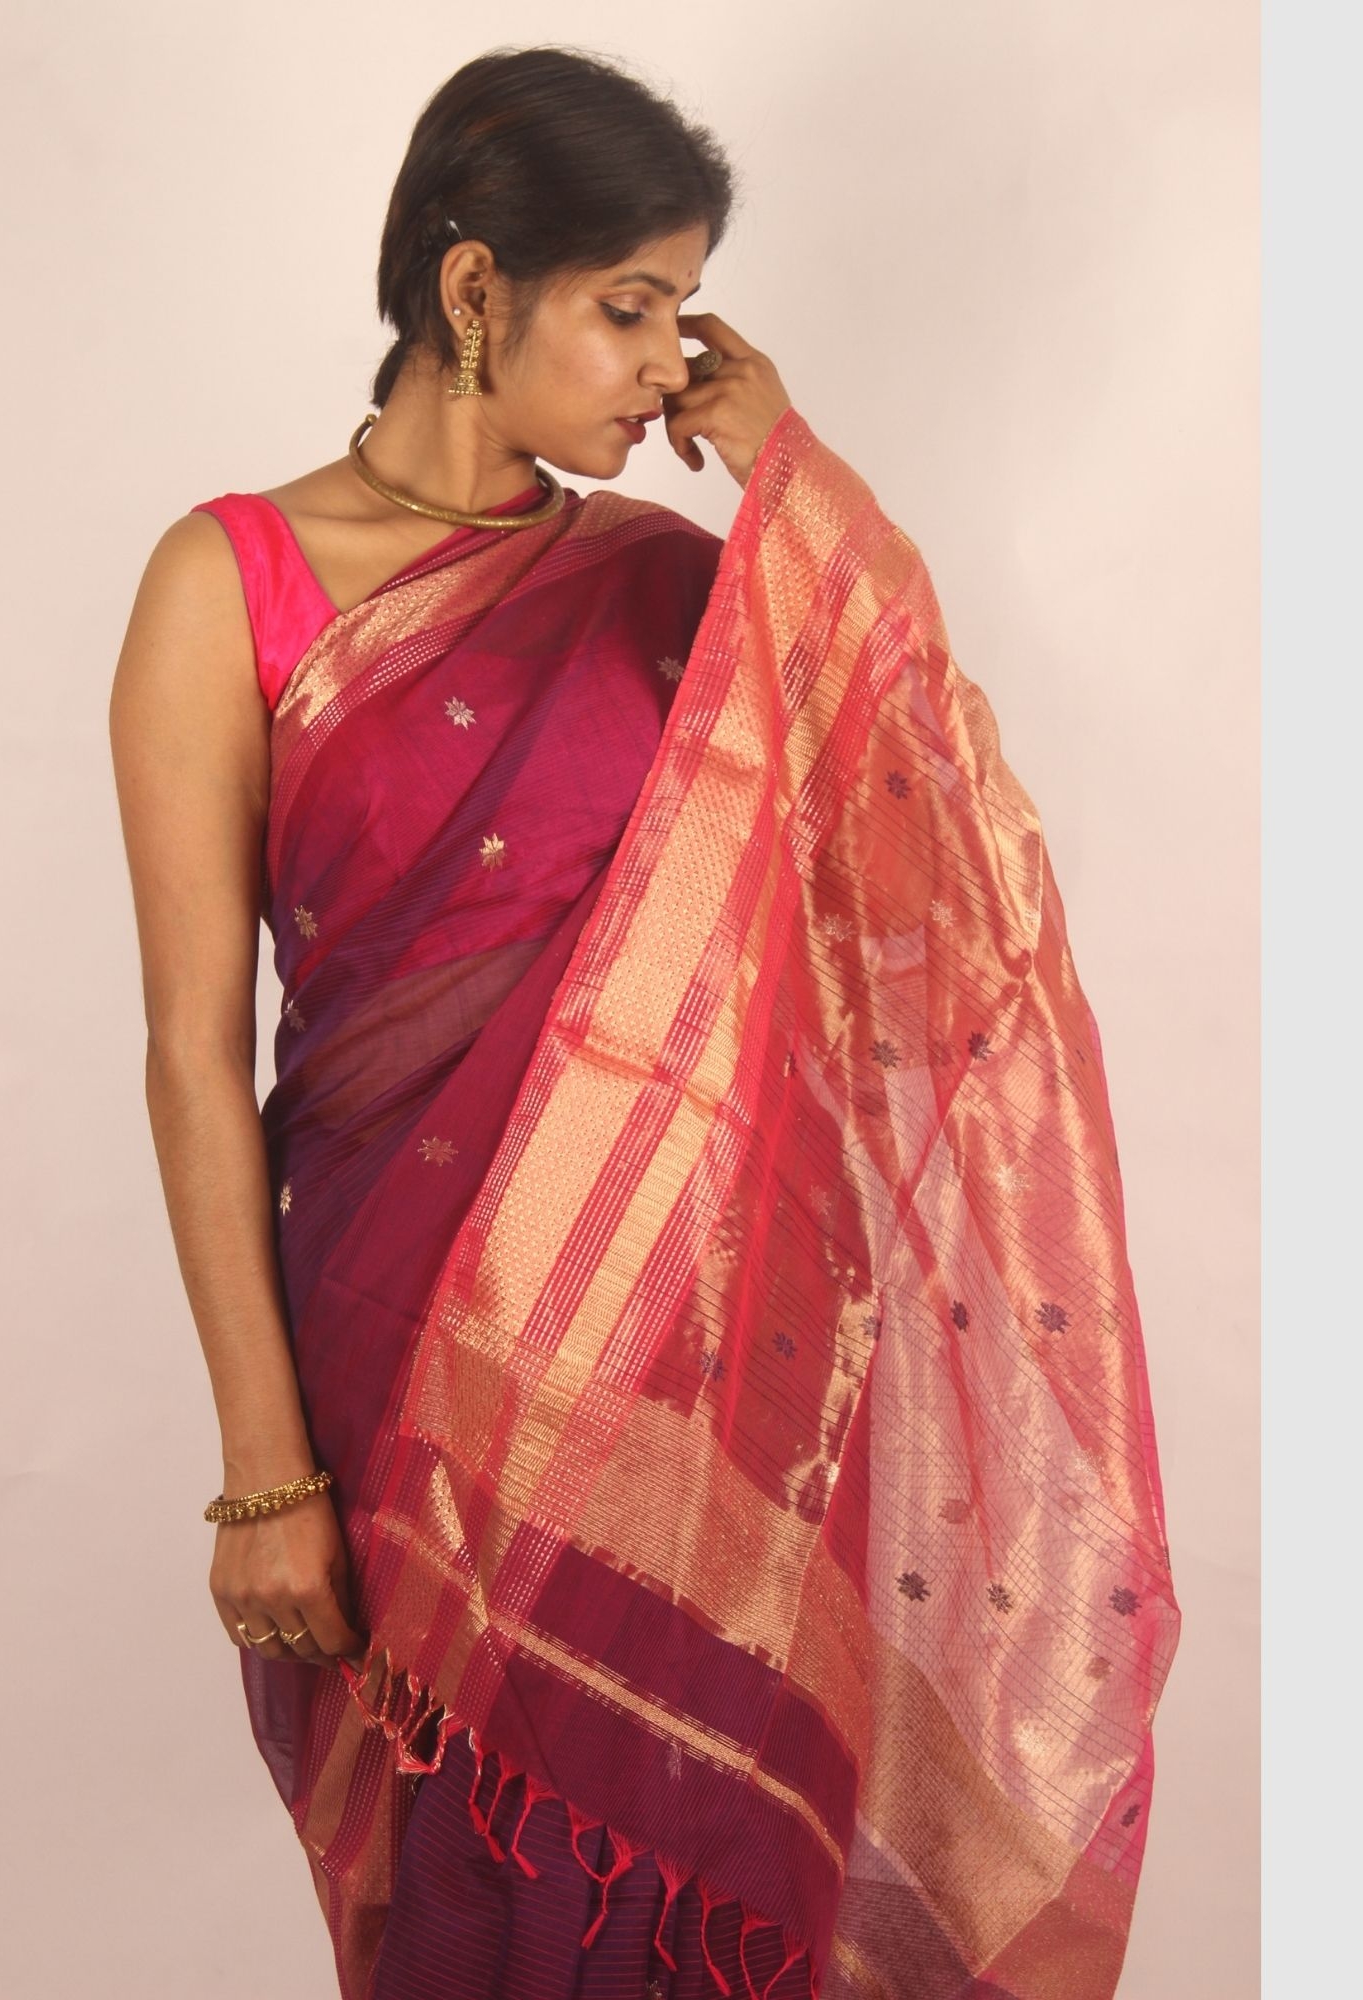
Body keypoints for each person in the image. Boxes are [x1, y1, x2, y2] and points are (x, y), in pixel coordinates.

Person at [109, 45, 1180, 2000]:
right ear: (471, 290)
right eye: (628, 306)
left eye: (683, 310)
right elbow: (193, 1050)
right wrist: (264, 1471)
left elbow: (941, 840)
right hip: (398, 1371)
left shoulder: (681, 592)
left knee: (692, 1908)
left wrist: (791, 480)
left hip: (691, 1400)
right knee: (467, 1910)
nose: (664, 364)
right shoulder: (230, 584)